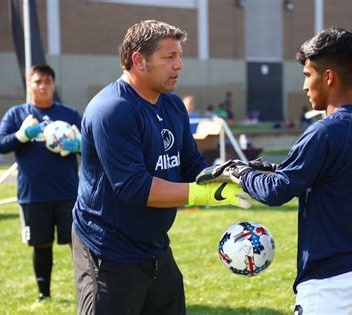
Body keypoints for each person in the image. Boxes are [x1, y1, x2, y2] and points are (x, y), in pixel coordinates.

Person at [198, 28, 352, 314]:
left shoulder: (325, 131)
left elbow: (278, 190)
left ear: (329, 77)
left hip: (331, 280)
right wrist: (266, 170)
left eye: (307, 75)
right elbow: (314, 176)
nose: (304, 86)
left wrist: (238, 172)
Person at [71, 20, 250, 315]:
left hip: (154, 247)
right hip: (108, 250)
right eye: (169, 57)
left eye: (180, 56)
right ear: (138, 60)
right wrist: (204, 195)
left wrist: (232, 176)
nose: (179, 65)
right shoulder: (112, 110)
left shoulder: (172, 105)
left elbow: (191, 164)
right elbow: (134, 187)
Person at [0, 64, 82, 305]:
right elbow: (0, 144)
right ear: (29, 85)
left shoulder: (69, 114)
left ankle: (87, 291)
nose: (42, 86)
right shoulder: (16, 114)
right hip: (33, 195)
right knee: (41, 245)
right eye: (37, 81)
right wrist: (23, 135)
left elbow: (93, 147)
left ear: (54, 85)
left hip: (68, 193)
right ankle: (44, 295)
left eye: (47, 82)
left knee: (78, 244)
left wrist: (79, 145)